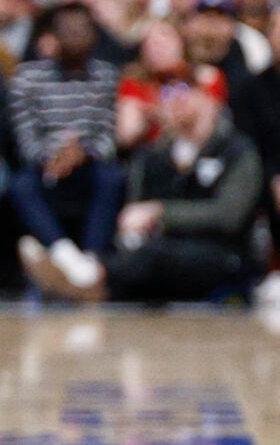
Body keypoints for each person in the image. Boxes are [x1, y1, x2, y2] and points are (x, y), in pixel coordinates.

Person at [29, 74, 261, 305]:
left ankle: (82, 278)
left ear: (210, 99)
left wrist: (161, 212)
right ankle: (83, 278)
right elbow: (135, 207)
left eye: (185, 89)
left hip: (219, 252)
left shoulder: (236, 151)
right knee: (136, 255)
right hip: (155, 250)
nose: (176, 99)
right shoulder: (153, 155)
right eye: (168, 93)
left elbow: (228, 216)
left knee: (155, 256)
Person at [6, 1, 122, 296]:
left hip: (89, 164)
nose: (74, 36)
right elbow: (26, 139)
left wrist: (82, 153)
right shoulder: (27, 77)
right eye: (67, 30)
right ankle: (67, 257)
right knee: (20, 185)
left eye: (81, 29)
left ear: (94, 35)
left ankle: (91, 260)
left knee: (113, 178)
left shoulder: (107, 76)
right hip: (47, 168)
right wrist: (53, 156)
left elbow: (107, 136)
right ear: (53, 36)